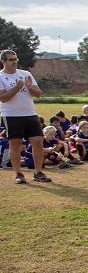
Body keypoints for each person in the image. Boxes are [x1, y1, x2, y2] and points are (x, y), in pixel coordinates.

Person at [0, 50, 50, 184]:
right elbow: (3, 98)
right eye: (11, 59)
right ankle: (19, 174)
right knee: (15, 145)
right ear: (3, 61)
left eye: (16, 59)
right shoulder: (0, 76)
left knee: (38, 142)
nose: (14, 61)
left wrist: (29, 88)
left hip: (30, 114)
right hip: (11, 115)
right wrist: (16, 88)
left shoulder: (26, 74)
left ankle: (38, 172)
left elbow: (38, 94)